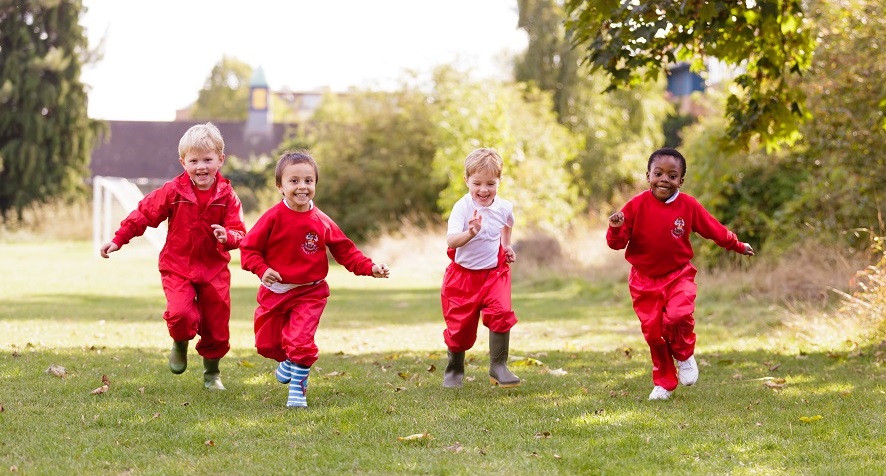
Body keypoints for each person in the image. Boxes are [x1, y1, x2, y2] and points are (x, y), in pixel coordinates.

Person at [100, 122, 246, 391]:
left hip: (214, 270)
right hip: (178, 266)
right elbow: (143, 214)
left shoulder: (228, 196)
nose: (201, 166)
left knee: (216, 324)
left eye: (207, 159)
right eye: (194, 160)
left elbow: (239, 231)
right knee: (180, 314)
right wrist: (119, 239)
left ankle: (211, 373)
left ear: (220, 160)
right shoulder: (173, 191)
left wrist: (229, 236)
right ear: (183, 162)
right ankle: (180, 343)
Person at [239, 151, 390, 408]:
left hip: (310, 292)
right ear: (280, 187)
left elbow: (347, 251)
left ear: (315, 185)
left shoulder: (321, 221)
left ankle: (297, 391)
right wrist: (263, 270)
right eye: (294, 181)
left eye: (308, 181)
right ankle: (288, 362)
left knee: (300, 342)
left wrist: (370, 267)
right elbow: (248, 249)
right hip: (275, 292)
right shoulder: (272, 218)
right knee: (267, 345)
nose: (302, 187)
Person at [607, 147, 754, 401]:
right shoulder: (636, 205)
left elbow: (714, 230)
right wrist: (616, 228)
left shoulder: (688, 206)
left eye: (672, 176)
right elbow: (617, 244)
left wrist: (736, 245)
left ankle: (684, 354)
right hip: (643, 281)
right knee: (654, 334)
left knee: (677, 316)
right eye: (658, 173)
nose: (665, 179)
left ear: (680, 181)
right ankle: (663, 382)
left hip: (679, 275)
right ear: (648, 176)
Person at [440, 147, 521, 389]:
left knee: (501, 313)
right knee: (460, 329)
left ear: (499, 181)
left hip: (495, 273)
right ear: (466, 181)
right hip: (463, 278)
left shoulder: (504, 207)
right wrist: (471, 232)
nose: (483, 190)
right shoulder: (462, 208)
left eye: (490, 183)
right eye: (477, 183)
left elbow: (508, 225)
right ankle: (454, 368)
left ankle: (499, 366)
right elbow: (451, 241)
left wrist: (506, 246)